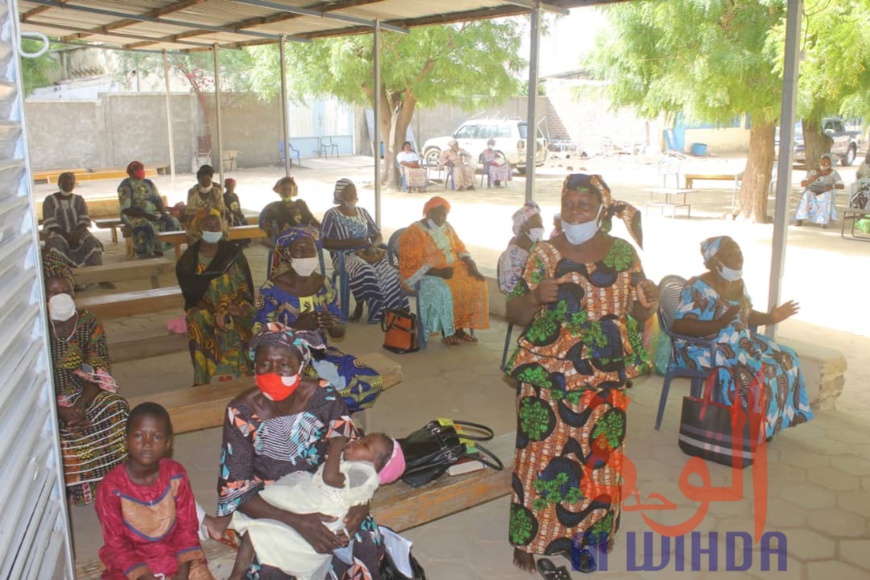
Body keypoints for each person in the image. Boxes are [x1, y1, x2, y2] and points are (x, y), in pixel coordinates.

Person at [505, 174, 657, 574]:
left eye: (584, 204)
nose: (575, 210)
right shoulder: (543, 252)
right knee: (540, 453)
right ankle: (530, 537)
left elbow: (638, 310)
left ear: (602, 211)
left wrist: (649, 304)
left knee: (597, 454)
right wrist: (536, 297)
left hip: (603, 371)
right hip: (547, 371)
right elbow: (515, 312)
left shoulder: (624, 254)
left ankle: (589, 533)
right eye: (569, 202)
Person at [215, 323, 384, 579]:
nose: (273, 373)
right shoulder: (241, 412)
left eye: (285, 365)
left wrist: (361, 504)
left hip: (327, 495)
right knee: (271, 569)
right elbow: (235, 491)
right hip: (271, 504)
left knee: (364, 540)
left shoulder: (323, 396)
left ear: (301, 366)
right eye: (264, 364)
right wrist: (297, 522)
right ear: (253, 365)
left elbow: (356, 456)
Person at [671, 236, 813, 439]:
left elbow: (746, 314)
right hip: (701, 346)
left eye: (740, 252)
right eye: (732, 253)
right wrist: (718, 324)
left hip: (737, 340)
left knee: (786, 358)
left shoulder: (737, 283)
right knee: (753, 368)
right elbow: (681, 325)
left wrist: (770, 317)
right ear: (715, 261)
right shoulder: (697, 287)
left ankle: (764, 426)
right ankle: (741, 430)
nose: (740, 257)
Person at [209, 432, 405, 580]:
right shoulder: (359, 465)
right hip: (306, 501)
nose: (356, 441)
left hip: (319, 510)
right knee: (257, 507)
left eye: (364, 444)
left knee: (262, 525)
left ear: (375, 463)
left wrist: (336, 448)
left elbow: (331, 478)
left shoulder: (364, 471)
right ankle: (235, 567)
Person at [255, 227, 384, 412]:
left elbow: (339, 331)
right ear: (287, 254)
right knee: (312, 390)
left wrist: (332, 323)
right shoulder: (271, 289)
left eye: (311, 249)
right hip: (285, 359)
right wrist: (293, 327)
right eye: (299, 249)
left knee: (372, 381)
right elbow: (258, 340)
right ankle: (329, 415)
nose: (306, 254)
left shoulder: (325, 285)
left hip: (320, 354)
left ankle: (327, 414)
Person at [44, 254, 128, 505]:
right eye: (52, 292)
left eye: (65, 291)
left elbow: (98, 367)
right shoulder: (36, 328)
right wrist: (59, 410)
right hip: (47, 402)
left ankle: (108, 477)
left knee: (116, 408)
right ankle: (75, 484)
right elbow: (32, 380)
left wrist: (78, 407)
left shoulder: (88, 322)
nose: (60, 297)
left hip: (83, 395)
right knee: (49, 429)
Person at [96, 402, 212, 579]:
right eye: (138, 436)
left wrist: (182, 574)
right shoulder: (111, 488)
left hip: (176, 557)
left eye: (157, 437)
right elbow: (116, 544)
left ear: (168, 443)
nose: (147, 443)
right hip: (133, 565)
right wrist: (145, 576)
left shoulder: (176, 475)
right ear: (126, 440)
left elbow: (186, 529)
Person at [176, 212, 256, 386]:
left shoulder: (233, 253)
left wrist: (233, 306)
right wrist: (216, 311)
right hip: (207, 307)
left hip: (236, 303)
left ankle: (245, 374)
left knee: (250, 317)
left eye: (217, 225)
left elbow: (245, 287)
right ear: (199, 229)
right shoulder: (188, 261)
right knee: (195, 319)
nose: (213, 229)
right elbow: (192, 296)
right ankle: (202, 379)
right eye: (209, 225)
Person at [398, 196, 489, 346]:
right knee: (445, 290)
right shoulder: (414, 232)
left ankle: (459, 327)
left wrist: (471, 265)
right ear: (428, 213)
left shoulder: (447, 227)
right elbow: (411, 264)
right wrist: (438, 272)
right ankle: (447, 331)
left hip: (451, 269)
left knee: (474, 284)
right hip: (425, 275)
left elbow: (460, 248)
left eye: (444, 214)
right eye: (437, 214)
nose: (441, 218)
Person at [321, 178, 409, 324]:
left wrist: (373, 246)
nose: (352, 196)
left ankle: (391, 309)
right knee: (364, 270)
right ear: (339, 195)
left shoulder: (362, 212)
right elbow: (324, 241)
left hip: (367, 252)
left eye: (353, 192)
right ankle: (360, 306)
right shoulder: (332, 214)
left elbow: (378, 235)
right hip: (344, 255)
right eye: (347, 193)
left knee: (391, 269)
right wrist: (351, 242)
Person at [42, 172, 106, 274]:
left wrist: (75, 234)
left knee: (92, 242)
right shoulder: (50, 200)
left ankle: (98, 275)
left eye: (71, 183)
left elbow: (84, 219)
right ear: (59, 183)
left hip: (78, 231)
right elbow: (50, 221)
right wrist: (66, 235)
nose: (69, 186)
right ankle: (61, 275)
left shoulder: (78, 199)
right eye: (65, 183)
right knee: (55, 244)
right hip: (58, 232)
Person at [118, 160, 181, 258]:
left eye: (142, 169)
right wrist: (146, 215)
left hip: (150, 212)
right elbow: (126, 209)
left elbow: (157, 199)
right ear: (131, 173)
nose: (141, 172)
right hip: (131, 215)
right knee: (143, 224)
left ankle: (160, 249)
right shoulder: (125, 186)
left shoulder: (148, 183)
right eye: (137, 170)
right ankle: (144, 252)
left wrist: (163, 213)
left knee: (171, 220)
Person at [498, 202, 544, 295]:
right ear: (523, 228)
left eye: (541, 224)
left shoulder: (535, 250)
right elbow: (511, 290)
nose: (541, 228)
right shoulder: (512, 255)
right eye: (536, 224)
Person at [259, 176, 320, 242]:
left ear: (294, 190)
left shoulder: (301, 204)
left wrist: (322, 228)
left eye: (289, 189)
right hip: (285, 240)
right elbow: (267, 226)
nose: (286, 192)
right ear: (279, 190)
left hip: (306, 238)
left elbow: (311, 219)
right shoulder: (273, 208)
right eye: (284, 189)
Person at [794, 153, 844, 228]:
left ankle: (823, 220)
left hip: (825, 192)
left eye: (826, 161)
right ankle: (800, 218)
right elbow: (803, 184)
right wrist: (812, 179)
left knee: (826, 196)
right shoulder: (813, 172)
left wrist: (832, 186)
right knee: (807, 195)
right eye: (822, 161)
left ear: (830, 163)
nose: (824, 163)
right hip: (813, 191)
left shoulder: (833, 173)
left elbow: (842, 185)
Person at [185, 164, 227, 242]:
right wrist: (202, 212)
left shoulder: (216, 192)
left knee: (221, 230)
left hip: (214, 221)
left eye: (208, 179)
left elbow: (221, 209)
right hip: (197, 222)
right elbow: (189, 211)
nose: (205, 182)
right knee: (194, 233)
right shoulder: (192, 192)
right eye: (202, 180)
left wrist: (211, 211)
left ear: (211, 179)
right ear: (198, 180)